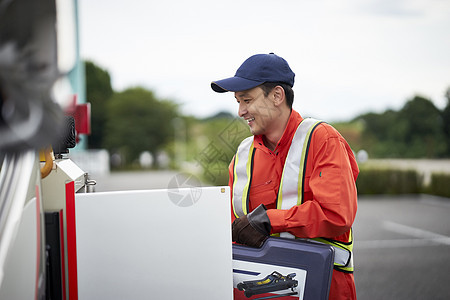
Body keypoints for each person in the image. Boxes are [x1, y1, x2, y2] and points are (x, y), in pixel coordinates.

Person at [211, 53, 359, 300]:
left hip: (321, 287)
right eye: (238, 101)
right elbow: (232, 227)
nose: (240, 111)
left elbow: (336, 215)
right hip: (256, 290)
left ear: (277, 96)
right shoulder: (243, 155)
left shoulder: (323, 140)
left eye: (247, 99)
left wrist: (269, 220)